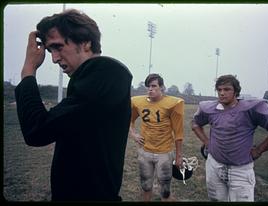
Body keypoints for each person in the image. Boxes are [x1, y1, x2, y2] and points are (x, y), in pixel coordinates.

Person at [14, 9, 132, 201]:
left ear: (86, 43)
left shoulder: (105, 73)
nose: (53, 58)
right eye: (50, 50)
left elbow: (36, 130)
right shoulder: (94, 79)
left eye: (58, 47)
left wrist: (28, 71)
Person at [191, 74, 268, 202]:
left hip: (240, 170)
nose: (222, 93)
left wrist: (259, 150)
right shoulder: (210, 109)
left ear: (236, 91)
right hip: (214, 165)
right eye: (219, 90)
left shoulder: (249, 109)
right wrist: (206, 141)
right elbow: (195, 123)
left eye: (226, 89)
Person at [130, 73, 184, 201]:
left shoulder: (173, 103)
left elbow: (178, 132)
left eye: (154, 86)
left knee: (165, 191)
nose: (150, 89)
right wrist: (133, 134)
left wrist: (178, 156)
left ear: (162, 87)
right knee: (146, 186)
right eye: (148, 86)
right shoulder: (138, 102)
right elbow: (129, 120)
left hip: (164, 152)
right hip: (145, 151)